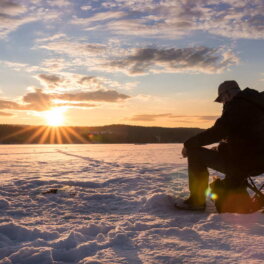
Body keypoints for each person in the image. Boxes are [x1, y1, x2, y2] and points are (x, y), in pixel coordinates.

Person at [175, 80, 264, 212]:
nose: (223, 103)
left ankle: (197, 201)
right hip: (259, 162)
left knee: (195, 153)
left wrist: (188, 144)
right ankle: (235, 192)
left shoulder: (238, 106)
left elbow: (218, 132)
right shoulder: (257, 103)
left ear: (227, 95)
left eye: (222, 99)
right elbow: (245, 137)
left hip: (242, 164)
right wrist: (221, 147)